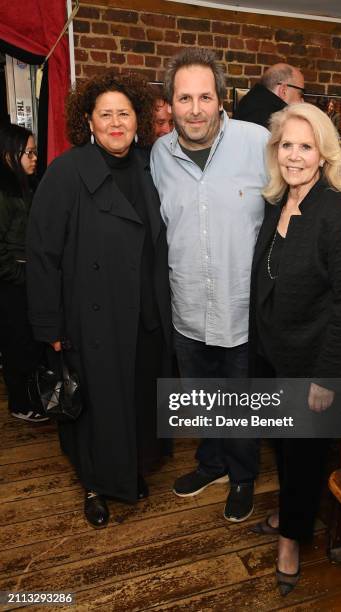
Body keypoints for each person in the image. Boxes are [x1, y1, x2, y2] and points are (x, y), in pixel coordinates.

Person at [150, 48, 341, 524]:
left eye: (204, 96)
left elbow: (312, 179)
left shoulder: (257, 141)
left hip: (244, 311)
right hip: (187, 308)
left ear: (221, 98)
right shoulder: (158, 155)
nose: (195, 108)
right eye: (184, 97)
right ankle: (210, 463)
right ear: (169, 103)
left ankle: (242, 476)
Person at [26, 72, 172, 528]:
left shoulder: (151, 167)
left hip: (143, 314)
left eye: (123, 114)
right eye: (105, 114)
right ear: (88, 120)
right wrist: (49, 327)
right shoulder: (67, 172)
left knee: (136, 399)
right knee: (96, 406)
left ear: (137, 121)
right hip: (90, 319)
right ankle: (95, 483)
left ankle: (130, 470)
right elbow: (42, 253)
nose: (115, 122)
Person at [248, 103, 341, 595]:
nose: (294, 156)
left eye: (305, 146)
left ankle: (292, 542)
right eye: (286, 145)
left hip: (313, 366)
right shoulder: (279, 204)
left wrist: (327, 379)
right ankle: (291, 514)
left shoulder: (338, 213)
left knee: (303, 454)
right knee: (283, 448)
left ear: (323, 155)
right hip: (274, 356)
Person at [0, 123, 45, 422]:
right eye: (27, 152)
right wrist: (22, 277)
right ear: (8, 156)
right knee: (17, 344)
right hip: (12, 282)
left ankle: (31, 397)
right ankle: (19, 404)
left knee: (28, 342)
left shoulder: (25, 186)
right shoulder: (4, 192)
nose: (33, 158)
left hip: (25, 278)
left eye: (34, 151)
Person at [233, 63, 304, 128]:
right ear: (283, 91)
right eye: (300, 94)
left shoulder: (250, 102)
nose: (302, 101)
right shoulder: (276, 122)